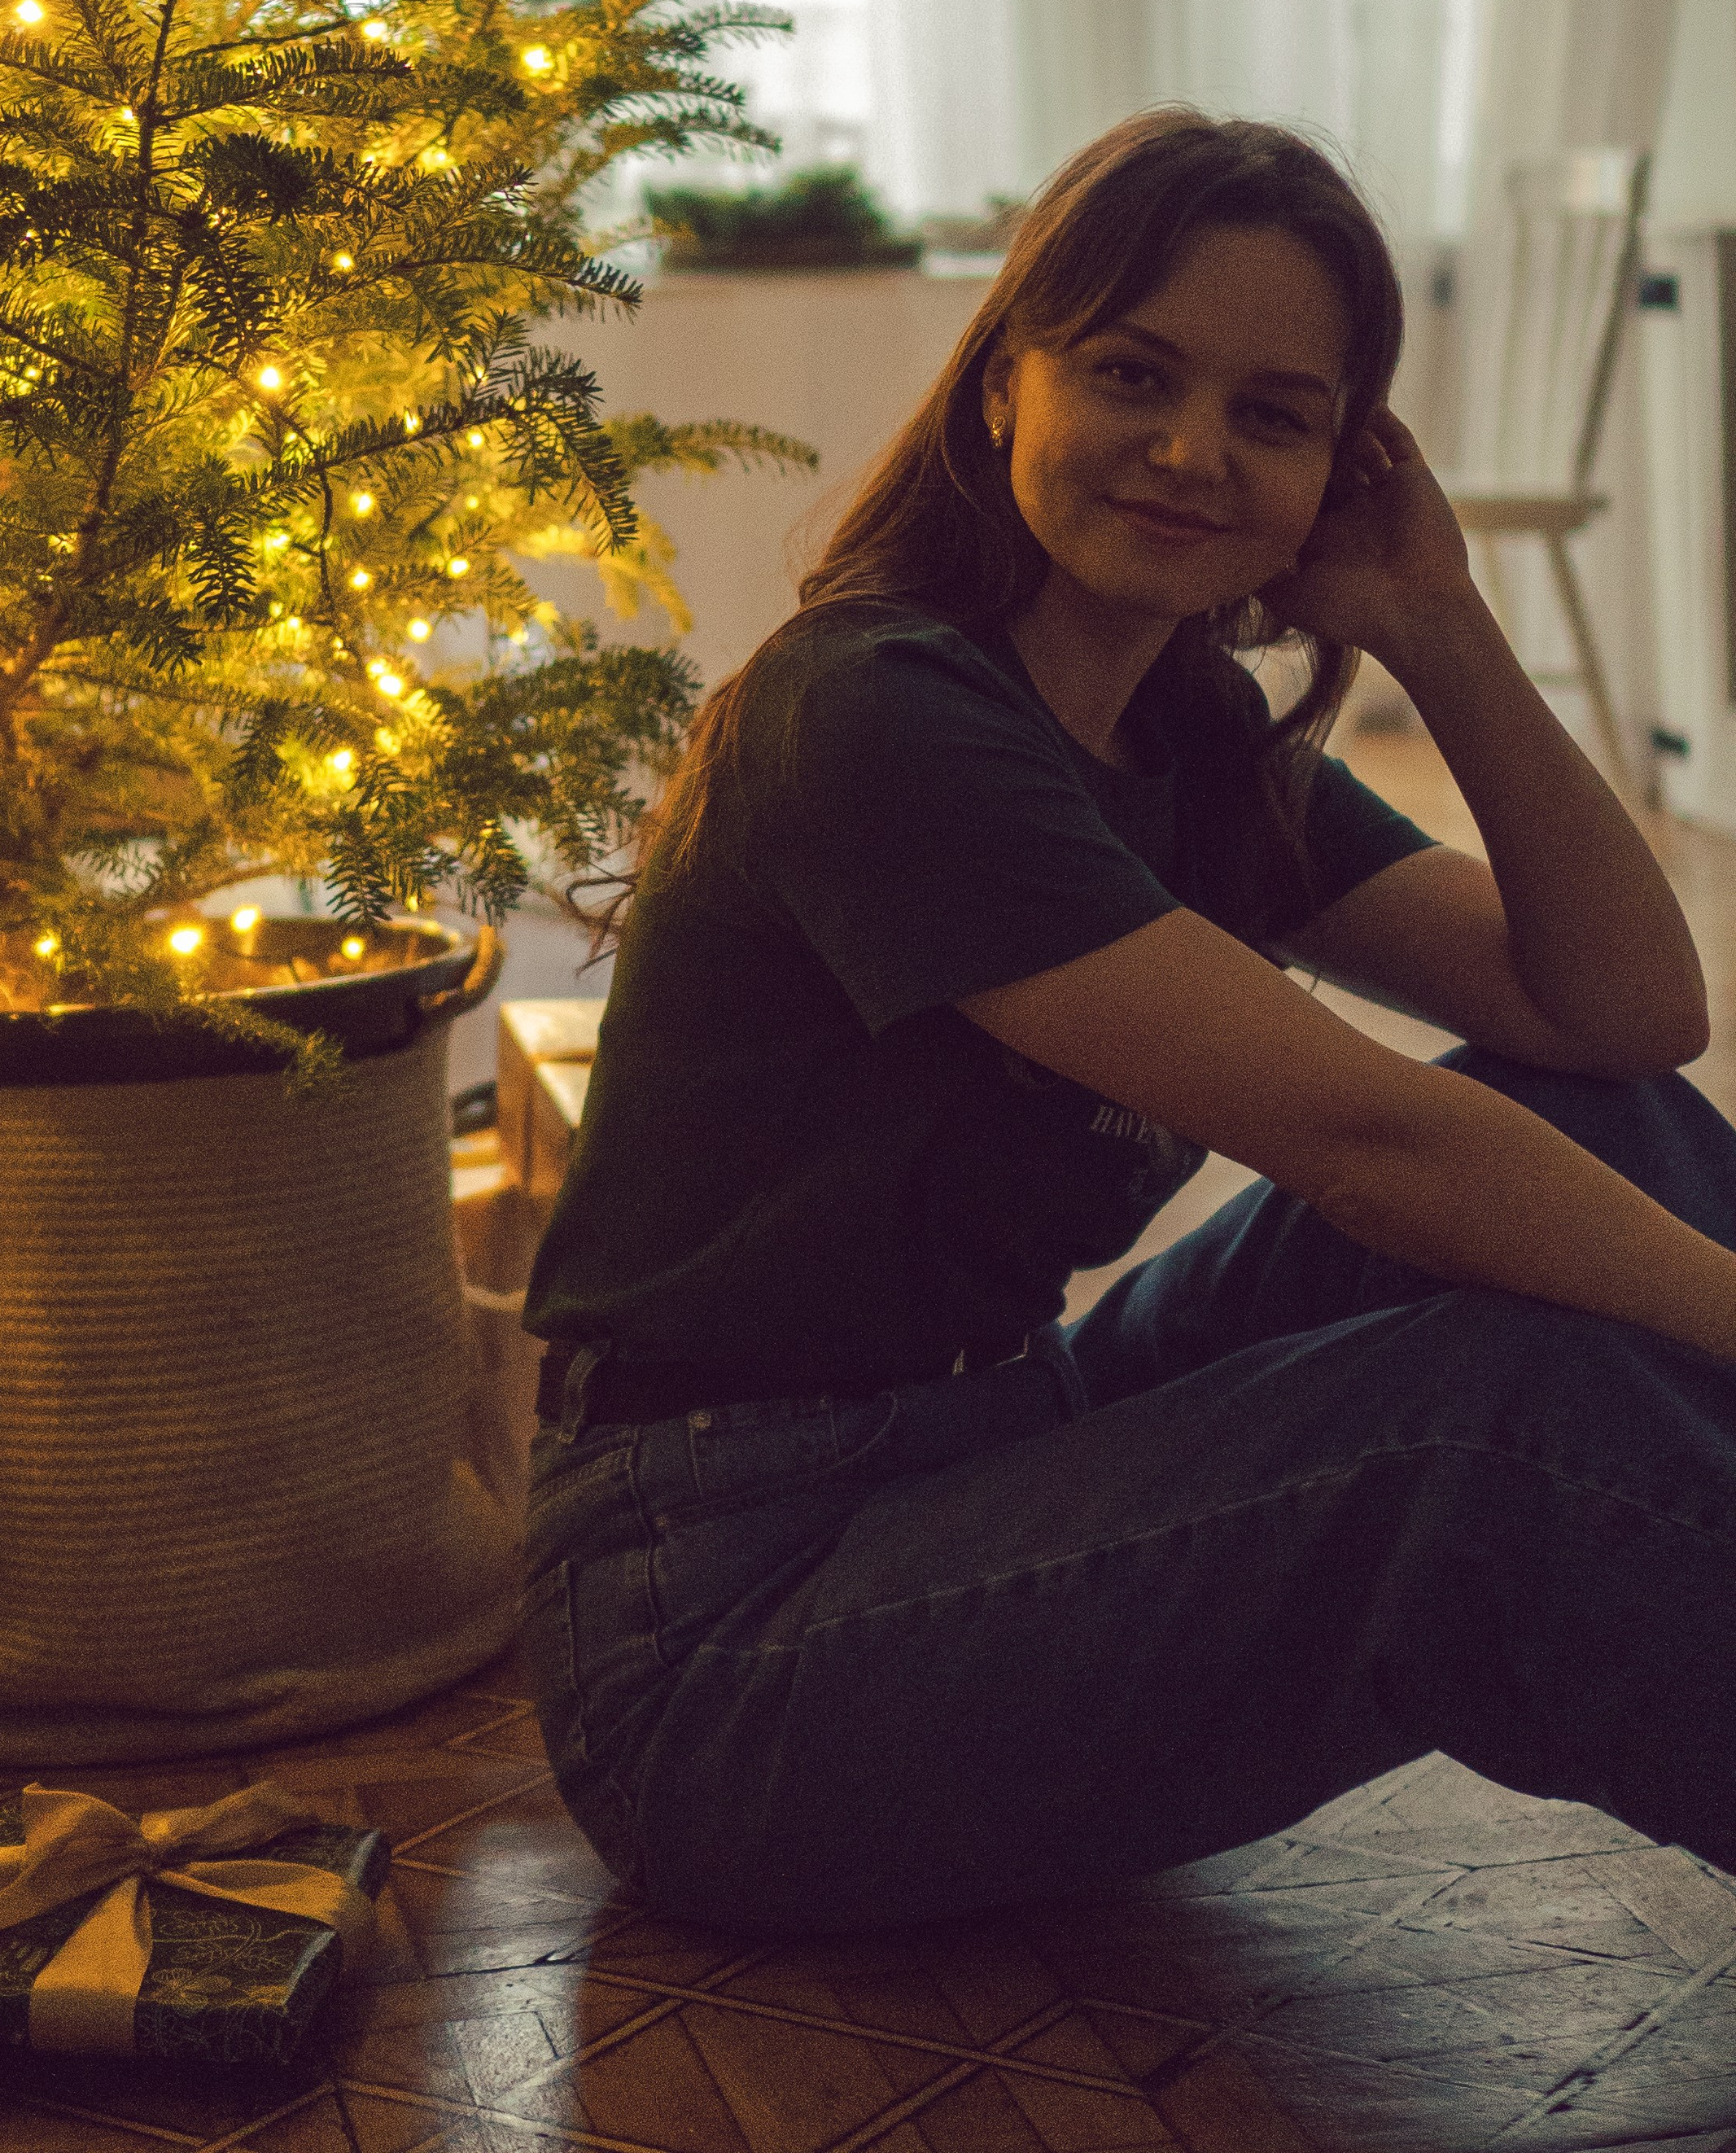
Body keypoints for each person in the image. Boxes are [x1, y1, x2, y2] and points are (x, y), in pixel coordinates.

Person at [519, 107, 1729, 1938]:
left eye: (1272, 414)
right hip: (719, 1633)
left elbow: (1623, 1015)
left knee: (1596, 1134)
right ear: (1003, 382)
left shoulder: (1183, 737)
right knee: (1487, 1422)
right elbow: (1366, 1144)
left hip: (988, 1442)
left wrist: (1435, 622)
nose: (1189, 452)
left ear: (1340, 465)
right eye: (1129, 373)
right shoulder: (878, 714)